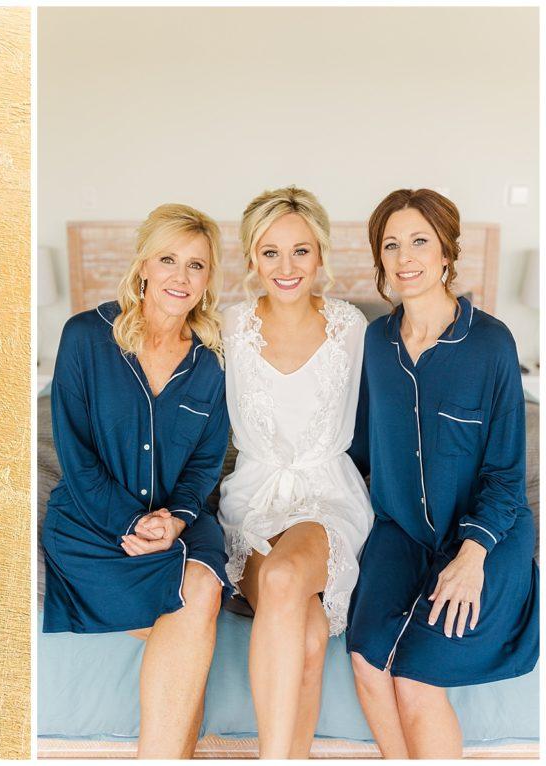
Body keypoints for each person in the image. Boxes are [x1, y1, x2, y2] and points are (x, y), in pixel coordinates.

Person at [346, 188, 539, 759]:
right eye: (391, 244)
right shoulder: (375, 342)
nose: (405, 256)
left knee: (415, 674)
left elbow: (507, 473)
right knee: (365, 656)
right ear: (379, 259)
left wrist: (473, 556)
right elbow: (359, 447)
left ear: (447, 252)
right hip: (401, 530)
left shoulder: (492, 343)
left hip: (487, 532)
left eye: (419, 241)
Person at [42, 203, 232, 758]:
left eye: (196, 265)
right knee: (197, 618)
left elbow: (205, 464)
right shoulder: (85, 337)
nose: (181, 276)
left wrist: (174, 519)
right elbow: (74, 455)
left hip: (181, 523)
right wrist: (130, 521)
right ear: (143, 265)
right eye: (168, 259)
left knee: (199, 590)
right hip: (92, 525)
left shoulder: (215, 360)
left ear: (208, 278)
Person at [218, 186, 373, 758]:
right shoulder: (228, 327)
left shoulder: (352, 327)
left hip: (327, 496)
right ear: (251, 257)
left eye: (301, 251)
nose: (287, 268)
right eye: (271, 252)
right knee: (305, 633)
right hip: (253, 501)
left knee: (284, 581)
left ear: (321, 254)